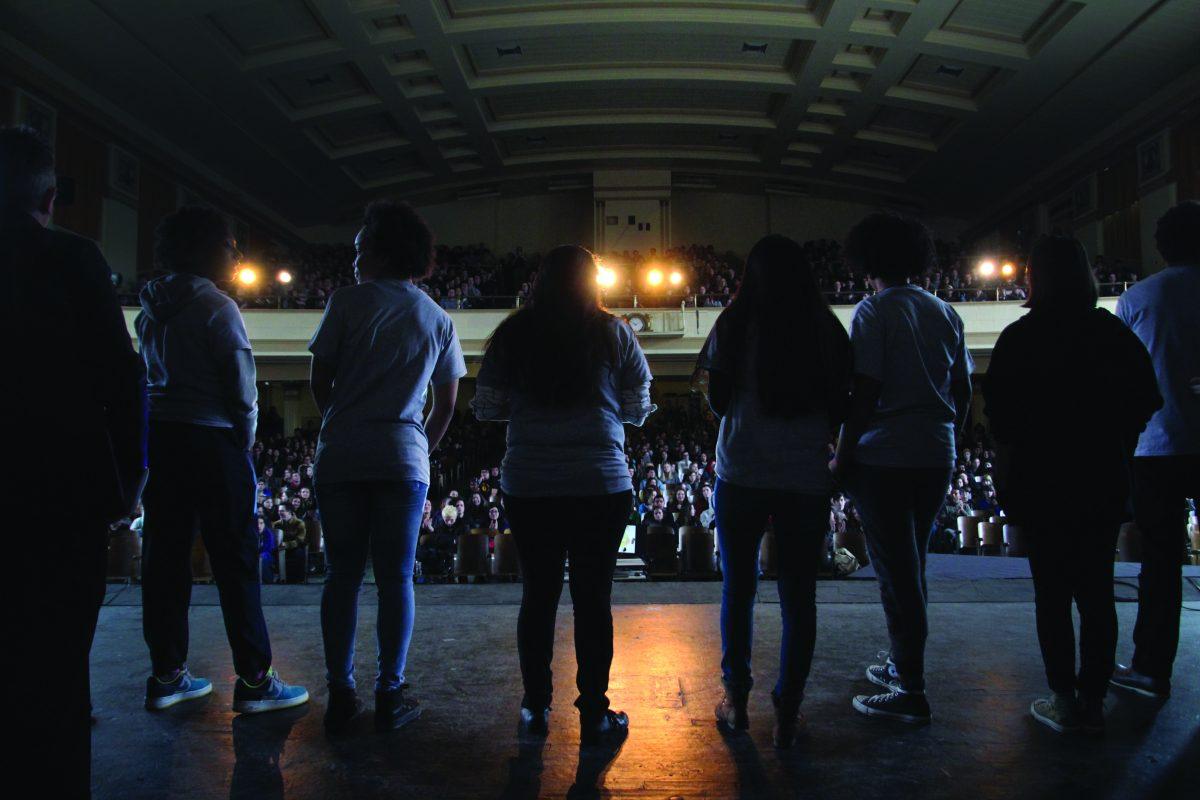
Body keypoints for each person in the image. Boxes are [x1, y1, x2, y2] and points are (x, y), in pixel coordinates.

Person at [2, 125, 147, 797]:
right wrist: (130, 482)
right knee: (57, 675)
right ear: (51, 196)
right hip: (61, 493)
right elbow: (123, 383)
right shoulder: (73, 259)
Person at [472, 244, 654, 746]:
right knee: (593, 600)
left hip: (530, 482)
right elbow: (639, 405)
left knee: (538, 598)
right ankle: (594, 713)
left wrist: (533, 413)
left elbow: (486, 406)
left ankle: (535, 709)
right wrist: (602, 409)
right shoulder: (614, 332)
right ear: (593, 281)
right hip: (600, 481)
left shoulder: (514, 334)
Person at [985, 236, 1160, 733]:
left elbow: (1002, 426)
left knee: (1053, 596)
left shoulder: (1021, 337)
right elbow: (1147, 399)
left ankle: (1063, 698)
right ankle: (1094, 696)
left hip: (1042, 483)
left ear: (1033, 277)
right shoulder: (1109, 333)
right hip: (1100, 477)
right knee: (1097, 594)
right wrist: (1117, 443)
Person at [137, 206, 307, 715]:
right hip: (213, 442)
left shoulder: (149, 307)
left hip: (163, 440)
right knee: (235, 561)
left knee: (164, 562)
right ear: (204, 249)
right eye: (229, 244)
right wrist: (245, 438)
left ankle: (167, 675)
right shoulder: (216, 307)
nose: (235, 254)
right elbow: (241, 386)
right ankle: (255, 680)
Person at [309, 200, 464, 735]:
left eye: (359, 248)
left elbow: (319, 380)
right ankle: (390, 693)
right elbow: (445, 404)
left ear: (379, 250)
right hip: (403, 456)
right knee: (397, 577)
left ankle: (340, 693)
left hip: (344, 452)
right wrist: (422, 444)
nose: (353, 258)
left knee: (342, 576)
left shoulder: (346, 303)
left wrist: (342, 416)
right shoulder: (436, 317)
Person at [695, 234, 852, 747]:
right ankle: (788, 709)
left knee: (738, 591)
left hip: (741, 469)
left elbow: (718, 400)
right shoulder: (825, 328)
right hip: (804, 476)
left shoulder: (734, 324)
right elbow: (840, 405)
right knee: (798, 597)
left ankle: (736, 701)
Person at [830, 212, 973, 724]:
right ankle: (901, 662)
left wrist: (842, 457)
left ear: (867, 261)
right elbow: (963, 390)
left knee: (896, 573)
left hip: (885, 454)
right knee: (913, 565)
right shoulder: (945, 312)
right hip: (937, 450)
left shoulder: (872, 312)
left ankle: (910, 688)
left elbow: (863, 393)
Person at [1112, 201, 1200, 699]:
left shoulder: (1140, 297)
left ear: (1162, 247)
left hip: (1158, 443)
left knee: (1160, 563)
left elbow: (1124, 379)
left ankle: (1151, 668)